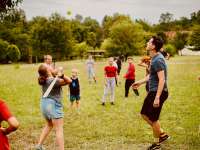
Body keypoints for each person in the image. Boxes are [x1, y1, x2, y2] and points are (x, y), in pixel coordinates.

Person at [132, 36, 170, 150]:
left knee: (153, 118)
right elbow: (151, 75)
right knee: (144, 114)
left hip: (158, 92)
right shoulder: (154, 58)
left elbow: (162, 79)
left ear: (153, 46)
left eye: (149, 42)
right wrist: (140, 82)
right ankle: (162, 134)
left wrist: (157, 97)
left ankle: (157, 144)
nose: (147, 43)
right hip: (154, 91)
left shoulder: (158, 59)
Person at [35, 64, 71, 150]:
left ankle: (39, 146)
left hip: (44, 104)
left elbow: (58, 78)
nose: (51, 67)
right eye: (49, 67)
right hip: (53, 105)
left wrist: (57, 73)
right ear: (48, 71)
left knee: (49, 125)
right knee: (59, 129)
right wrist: (62, 75)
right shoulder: (53, 81)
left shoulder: (44, 80)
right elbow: (69, 81)